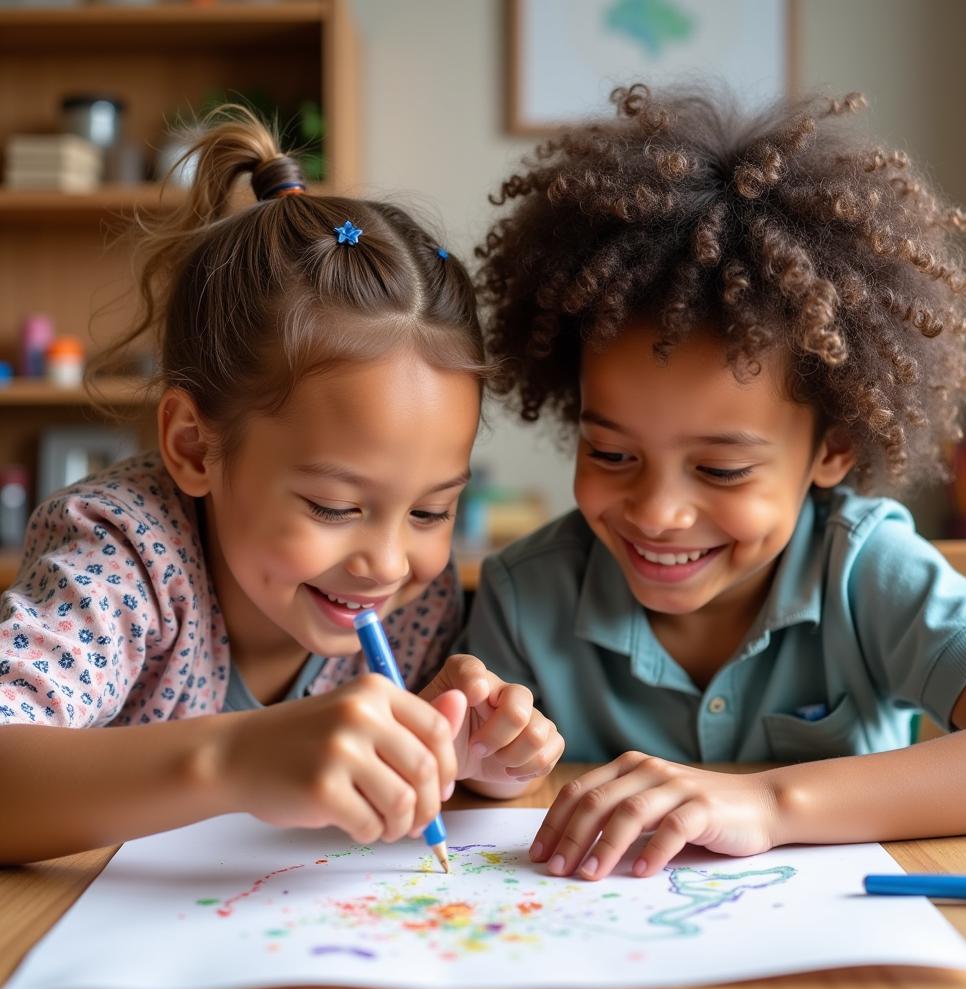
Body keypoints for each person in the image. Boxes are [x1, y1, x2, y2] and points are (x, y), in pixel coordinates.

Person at [465, 84, 966, 881]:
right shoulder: (527, 596)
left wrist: (769, 803)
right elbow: (483, 796)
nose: (656, 513)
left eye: (721, 468)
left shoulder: (866, 574)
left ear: (832, 448)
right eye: (612, 454)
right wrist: (479, 753)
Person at [0, 107, 562, 866]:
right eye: (335, 506)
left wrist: (466, 757)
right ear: (195, 446)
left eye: (432, 509)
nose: (390, 563)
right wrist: (235, 760)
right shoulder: (124, 554)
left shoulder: (408, 603)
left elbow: (399, 769)